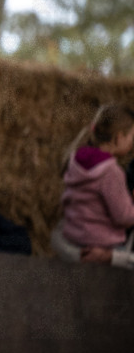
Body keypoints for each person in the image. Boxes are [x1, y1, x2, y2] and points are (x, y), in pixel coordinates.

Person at [56, 103, 134, 268]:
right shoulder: (111, 172)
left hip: (75, 238)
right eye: (131, 137)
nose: (133, 144)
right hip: (102, 244)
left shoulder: (76, 157)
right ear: (119, 138)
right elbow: (124, 217)